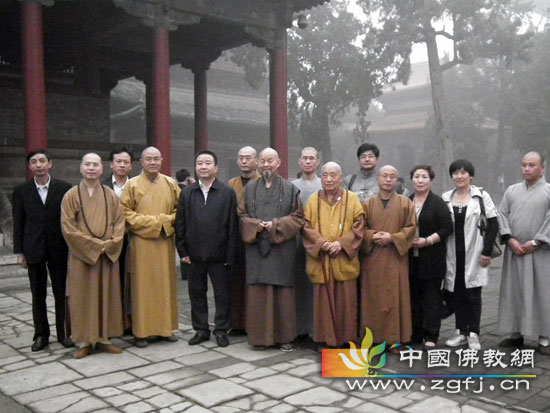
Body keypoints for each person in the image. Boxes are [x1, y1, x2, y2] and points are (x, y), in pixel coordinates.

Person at [239, 147, 304, 351]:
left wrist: (275, 225)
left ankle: (284, 337)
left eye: (270, 161)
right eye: (263, 161)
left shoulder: (290, 188)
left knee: (282, 294)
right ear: (257, 163)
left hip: (281, 249)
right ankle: (259, 338)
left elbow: (298, 217)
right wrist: (255, 225)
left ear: (279, 163)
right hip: (256, 248)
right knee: (258, 294)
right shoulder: (249, 189)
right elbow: (241, 215)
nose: (266, 165)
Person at [61, 153, 125, 359]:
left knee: (107, 295)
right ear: (81, 168)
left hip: (107, 256)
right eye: (87, 164)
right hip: (83, 256)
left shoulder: (110, 195)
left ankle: (104, 339)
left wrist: (110, 245)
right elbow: (68, 228)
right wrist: (96, 247)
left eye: (95, 164)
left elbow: (119, 223)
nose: (91, 168)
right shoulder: (71, 195)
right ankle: (85, 341)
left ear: (102, 169)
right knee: (82, 297)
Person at [176, 150, 239, 348]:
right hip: (194, 255)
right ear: (195, 168)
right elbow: (180, 223)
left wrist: (230, 254)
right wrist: (182, 251)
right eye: (200, 163)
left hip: (220, 255)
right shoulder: (187, 193)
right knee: (196, 293)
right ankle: (201, 330)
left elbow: (232, 226)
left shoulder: (227, 192)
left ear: (216, 168)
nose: (203, 166)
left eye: (207, 163)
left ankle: (221, 330)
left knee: (222, 295)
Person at [119, 146, 181, 348]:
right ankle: (141, 332)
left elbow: (181, 211)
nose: (153, 162)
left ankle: (166, 329)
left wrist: (163, 223)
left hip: (164, 242)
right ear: (141, 162)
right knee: (142, 288)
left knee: (165, 286)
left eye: (156, 159)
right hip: (141, 244)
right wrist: (157, 223)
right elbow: (124, 213)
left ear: (162, 161)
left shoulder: (170, 183)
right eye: (148, 159)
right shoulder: (132, 185)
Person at [12, 149, 73, 351]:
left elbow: (70, 220)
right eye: (34, 162)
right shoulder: (21, 191)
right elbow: (18, 222)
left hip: (59, 248)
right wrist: (19, 252)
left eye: (42, 161)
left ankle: (64, 333)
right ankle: (41, 335)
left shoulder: (64, 188)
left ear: (50, 163)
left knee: (61, 292)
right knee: (37, 294)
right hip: (33, 248)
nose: (38, 165)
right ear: (29, 166)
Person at [302, 162, 364, 348]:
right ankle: (324, 339)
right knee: (323, 302)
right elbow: (306, 227)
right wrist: (322, 243)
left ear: (341, 177)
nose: (328, 179)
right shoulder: (313, 200)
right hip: (321, 259)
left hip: (343, 259)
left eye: (333, 175)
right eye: (325, 175)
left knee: (346, 302)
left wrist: (341, 244)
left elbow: (359, 226)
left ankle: (346, 339)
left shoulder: (352, 199)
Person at [442, 159, 498, 351]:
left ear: (471, 176)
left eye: (463, 172)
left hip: (475, 252)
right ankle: (460, 331)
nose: (459, 176)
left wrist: (486, 252)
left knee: (473, 293)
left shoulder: (481, 196)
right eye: (456, 173)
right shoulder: (446, 197)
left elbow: (493, 224)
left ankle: (473, 333)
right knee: (457, 293)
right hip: (452, 254)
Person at [497, 152, 550, 355]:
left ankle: (544, 337)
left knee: (542, 292)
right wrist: (509, 239)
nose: (526, 169)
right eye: (524, 165)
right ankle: (515, 332)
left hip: (541, 252)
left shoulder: (548, 191)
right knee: (514, 291)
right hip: (515, 250)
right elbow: (502, 214)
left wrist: (537, 241)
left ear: (542, 168)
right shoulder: (511, 190)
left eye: (532, 165)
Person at [360, 165, 416, 351]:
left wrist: (392, 238)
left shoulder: (405, 203)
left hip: (395, 258)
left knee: (395, 298)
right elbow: (359, 229)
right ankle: (372, 338)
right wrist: (372, 235)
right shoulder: (367, 204)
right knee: (372, 298)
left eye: (392, 176)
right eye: (385, 175)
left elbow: (411, 229)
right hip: (373, 259)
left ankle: (394, 339)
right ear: (378, 179)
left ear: (397, 180)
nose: (388, 179)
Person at [408, 165, 453, 349]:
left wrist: (427, 240)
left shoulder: (437, 203)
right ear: (412, 180)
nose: (420, 180)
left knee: (432, 299)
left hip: (432, 258)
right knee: (413, 298)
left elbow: (447, 227)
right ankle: (415, 333)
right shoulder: (406, 201)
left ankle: (431, 335)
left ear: (431, 180)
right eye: (417, 176)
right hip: (410, 259)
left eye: (424, 177)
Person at [228, 146, 260, 333]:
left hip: (256, 239)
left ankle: (254, 323)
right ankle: (237, 323)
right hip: (236, 240)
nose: (244, 161)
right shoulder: (231, 184)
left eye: (248, 158)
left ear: (256, 161)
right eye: (241, 158)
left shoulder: (263, 183)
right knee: (235, 283)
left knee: (254, 284)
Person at [292, 147, 322, 337]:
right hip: (296, 241)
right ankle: (299, 328)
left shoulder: (324, 184)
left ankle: (316, 328)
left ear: (318, 162)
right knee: (298, 284)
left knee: (316, 285)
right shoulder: (292, 186)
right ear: (299, 161)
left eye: (312, 158)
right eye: (305, 158)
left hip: (318, 241)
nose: (308, 161)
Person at [103, 147, 133, 330]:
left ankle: (131, 322)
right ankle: (114, 323)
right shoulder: (102, 187)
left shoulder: (137, 186)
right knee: (112, 283)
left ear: (131, 166)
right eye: (118, 161)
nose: (122, 165)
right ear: (111, 165)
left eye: (126, 162)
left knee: (133, 283)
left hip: (133, 241)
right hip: (110, 243)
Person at [175, 168, 195, 281]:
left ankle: (184, 274)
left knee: (182, 248)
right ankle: (188, 273)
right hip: (189, 225)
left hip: (176, 223)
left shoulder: (173, 187)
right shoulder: (188, 191)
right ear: (188, 178)